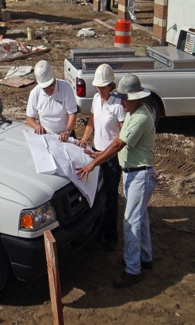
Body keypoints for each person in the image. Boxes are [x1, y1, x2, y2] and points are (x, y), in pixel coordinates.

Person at [76, 73, 156, 288]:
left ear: (136, 98)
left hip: (139, 174)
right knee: (142, 218)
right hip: (135, 172)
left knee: (131, 222)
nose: (121, 102)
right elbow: (115, 146)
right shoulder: (134, 110)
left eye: (125, 98)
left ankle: (132, 269)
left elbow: (118, 144)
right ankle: (144, 258)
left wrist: (93, 163)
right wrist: (98, 155)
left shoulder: (140, 117)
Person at [76, 64, 125, 252]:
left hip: (111, 157)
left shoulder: (118, 105)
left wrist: (110, 152)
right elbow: (91, 121)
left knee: (111, 197)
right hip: (96, 151)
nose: (99, 90)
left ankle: (111, 236)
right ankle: (98, 230)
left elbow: (122, 135)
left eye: (102, 87)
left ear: (110, 85)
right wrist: (84, 139)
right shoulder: (97, 99)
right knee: (96, 194)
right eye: (97, 87)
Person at [26, 60, 78, 142]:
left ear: (54, 79)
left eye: (51, 85)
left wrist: (67, 131)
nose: (48, 89)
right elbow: (29, 118)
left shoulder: (66, 88)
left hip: (65, 135)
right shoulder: (35, 93)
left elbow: (72, 113)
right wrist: (36, 126)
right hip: (46, 136)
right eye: (45, 88)